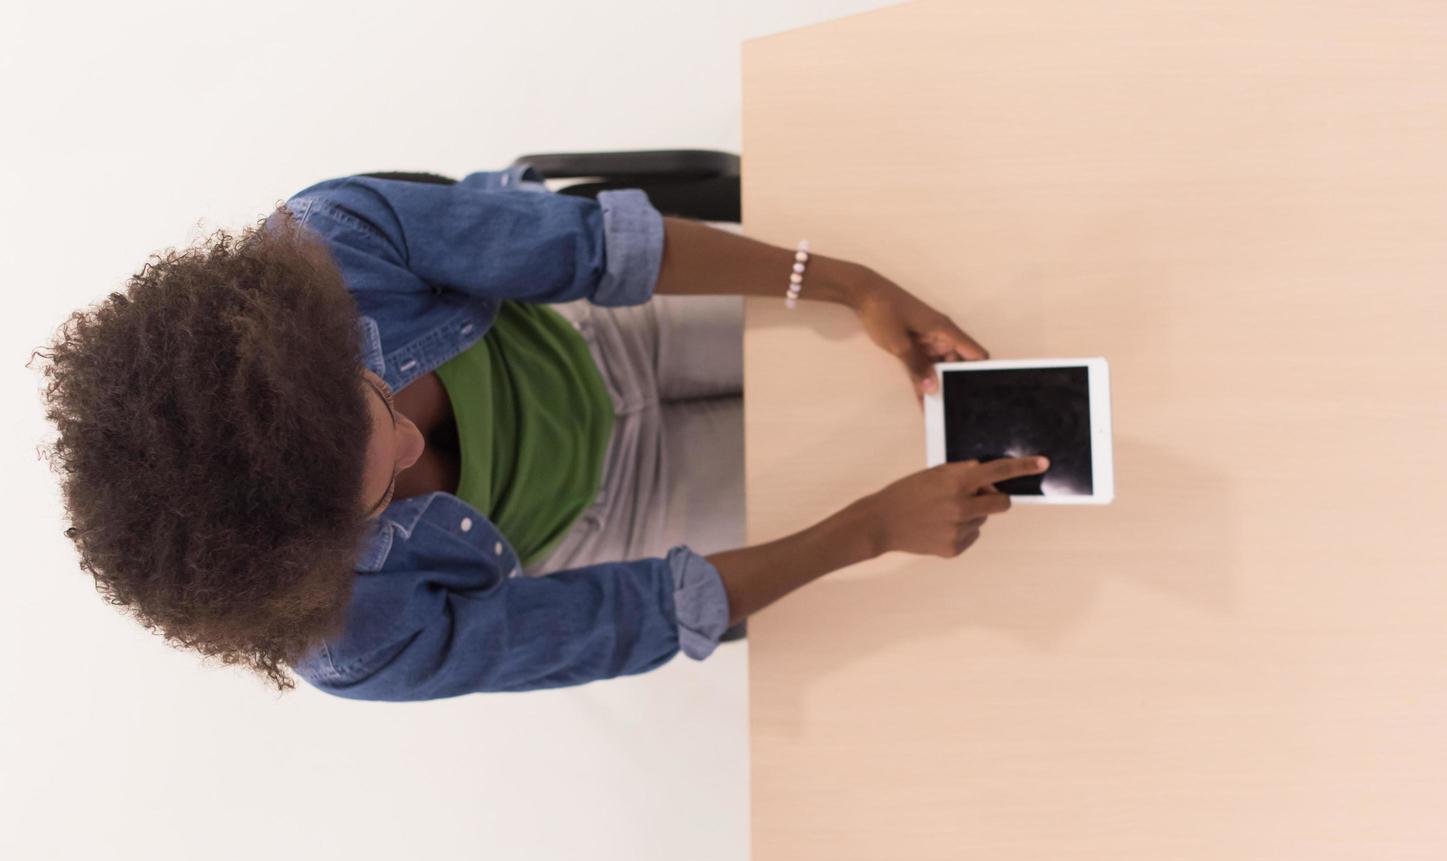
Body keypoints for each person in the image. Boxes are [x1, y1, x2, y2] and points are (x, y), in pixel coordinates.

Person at [31, 167, 1048, 702]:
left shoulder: (333, 244)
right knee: (936, 509)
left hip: (594, 334)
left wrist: (848, 282)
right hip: (611, 512)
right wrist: (868, 527)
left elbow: (597, 250)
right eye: (372, 497)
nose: (404, 456)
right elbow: (636, 613)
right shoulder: (354, 640)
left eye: (365, 406)